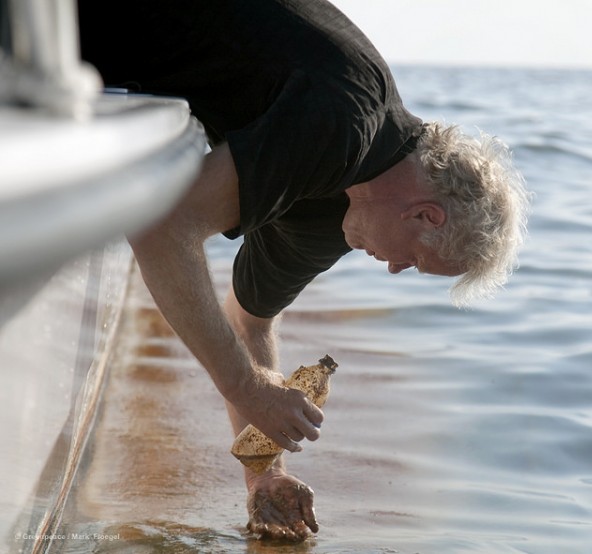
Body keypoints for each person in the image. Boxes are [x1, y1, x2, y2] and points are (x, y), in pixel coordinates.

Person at [78, 0, 529, 542]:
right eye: (415, 262)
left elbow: (251, 321)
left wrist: (265, 474)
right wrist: (244, 385)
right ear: (424, 214)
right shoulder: (344, 123)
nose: (392, 269)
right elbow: (161, 228)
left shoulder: (340, 216)